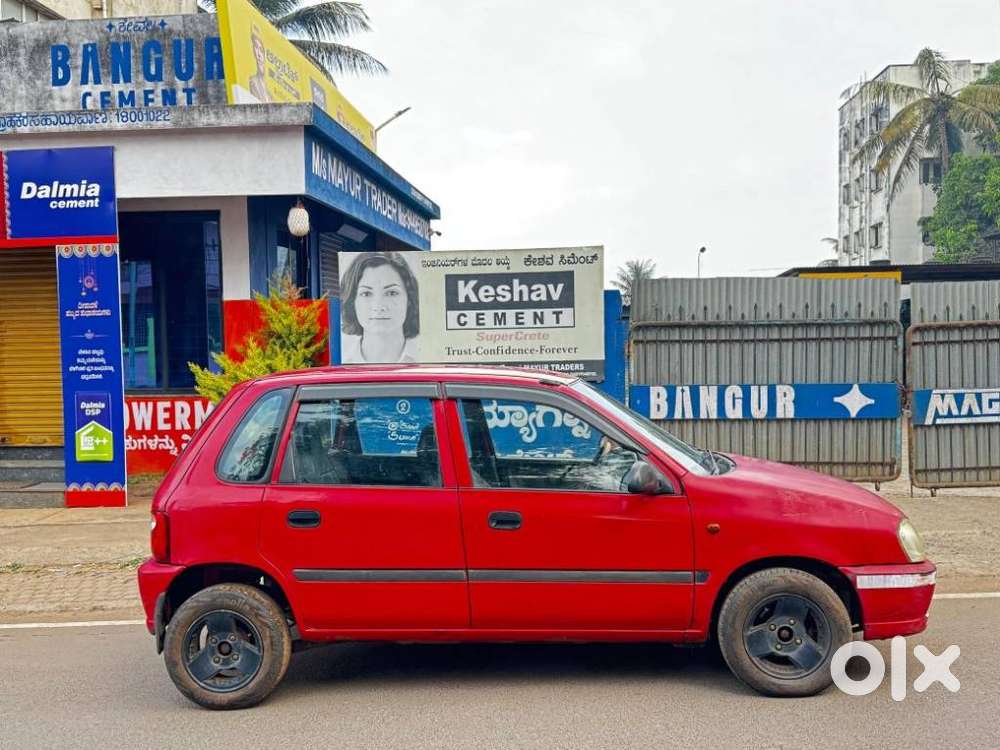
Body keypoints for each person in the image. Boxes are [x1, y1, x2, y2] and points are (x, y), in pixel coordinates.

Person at [341, 252, 420, 364]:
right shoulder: (342, 362)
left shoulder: (427, 360)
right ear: (352, 302)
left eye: (392, 293)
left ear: (409, 299)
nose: (379, 306)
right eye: (366, 294)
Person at [248, 26, 270, 103]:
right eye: (256, 48)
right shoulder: (252, 82)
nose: (259, 55)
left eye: (261, 50)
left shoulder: (269, 93)